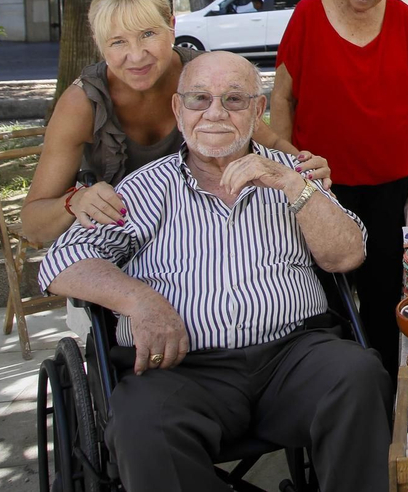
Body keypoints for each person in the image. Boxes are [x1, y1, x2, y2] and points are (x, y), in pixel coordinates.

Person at [37, 51, 389, 492]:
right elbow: (61, 261)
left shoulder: (293, 175)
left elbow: (346, 257)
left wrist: (295, 187)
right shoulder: (146, 187)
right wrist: (140, 300)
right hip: (181, 371)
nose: (215, 113)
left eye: (235, 100)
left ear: (258, 110)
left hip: (294, 357)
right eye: (199, 99)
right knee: (142, 422)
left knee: (358, 376)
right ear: (178, 109)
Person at [22, 0, 327, 247]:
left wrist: (304, 169)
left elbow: (269, 143)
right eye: (118, 42)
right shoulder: (82, 104)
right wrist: (74, 201)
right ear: (98, 43)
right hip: (125, 249)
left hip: (208, 236)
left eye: (148, 34)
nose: (136, 56)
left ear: (171, 24)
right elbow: (32, 226)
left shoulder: (203, 77)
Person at [270, 0, 408, 376]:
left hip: (388, 179)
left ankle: (382, 387)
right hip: (321, 182)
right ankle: (335, 381)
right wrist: (283, 163)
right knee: (326, 289)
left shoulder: (402, 18)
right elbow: (281, 96)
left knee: (383, 288)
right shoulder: (306, 14)